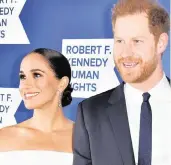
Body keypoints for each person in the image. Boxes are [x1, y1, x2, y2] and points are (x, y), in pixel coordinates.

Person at [73, 0, 171, 165]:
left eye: (136, 41)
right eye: (119, 41)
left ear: (160, 43)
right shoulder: (90, 113)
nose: (125, 53)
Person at [0, 48, 74, 165]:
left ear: (62, 83)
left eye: (37, 75)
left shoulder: (86, 138)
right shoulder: (3, 137)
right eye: (22, 76)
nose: (25, 85)